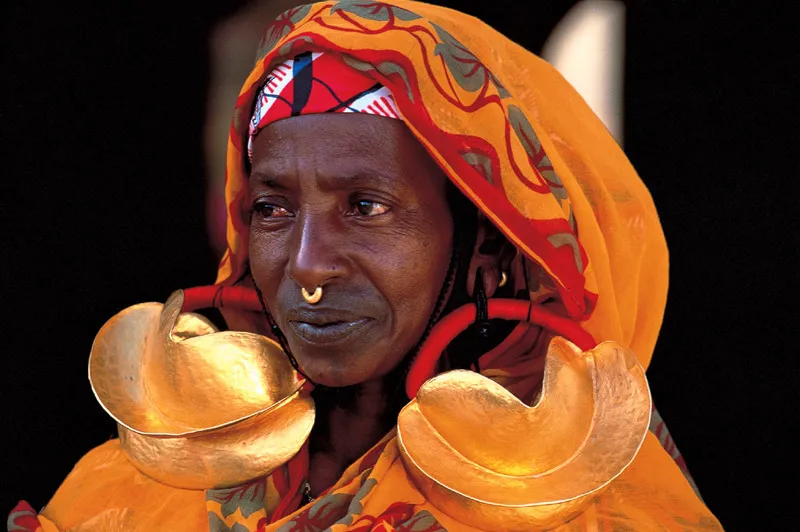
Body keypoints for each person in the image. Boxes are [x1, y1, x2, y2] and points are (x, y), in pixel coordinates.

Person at [9, 1, 724, 530]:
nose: (308, 265)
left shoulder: (593, 510)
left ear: (487, 246)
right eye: (272, 209)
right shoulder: (134, 490)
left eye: (367, 206)